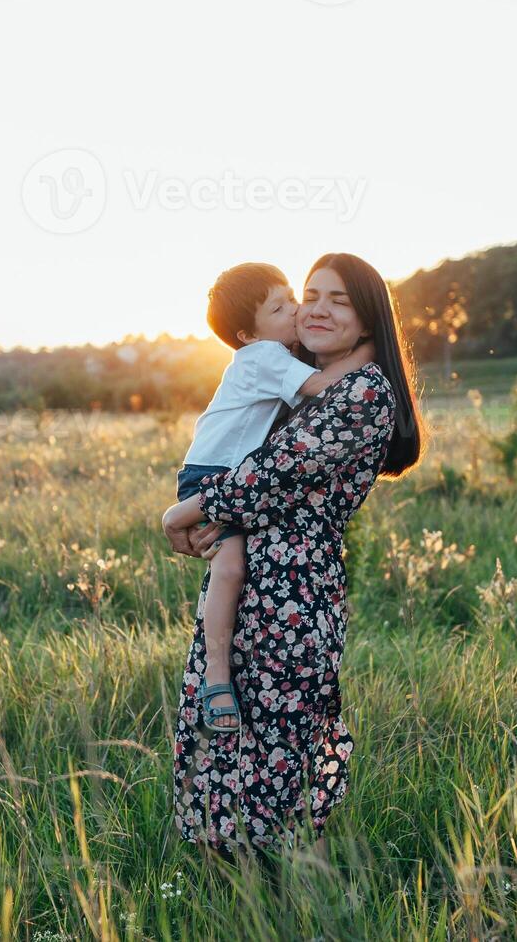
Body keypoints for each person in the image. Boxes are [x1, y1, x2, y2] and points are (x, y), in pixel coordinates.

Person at [163, 252, 427, 863]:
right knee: (223, 745)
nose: (317, 308)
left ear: (369, 319)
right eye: (312, 295)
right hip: (253, 581)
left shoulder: (365, 391)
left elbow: (275, 474)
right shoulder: (291, 374)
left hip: (292, 593)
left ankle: (275, 900)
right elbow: (242, 453)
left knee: (274, 755)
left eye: (339, 299)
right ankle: (226, 899)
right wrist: (209, 510)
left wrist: (189, 508)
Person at [179, 262, 375, 733]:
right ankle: (218, 676)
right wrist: (368, 351)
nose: (297, 312)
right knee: (229, 567)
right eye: (281, 306)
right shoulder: (265, 357)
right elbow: (323, 387)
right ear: (249, 334)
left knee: (231, 568)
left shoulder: (272, 355)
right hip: (211, 476)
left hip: (223, 473)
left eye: (292, 299)